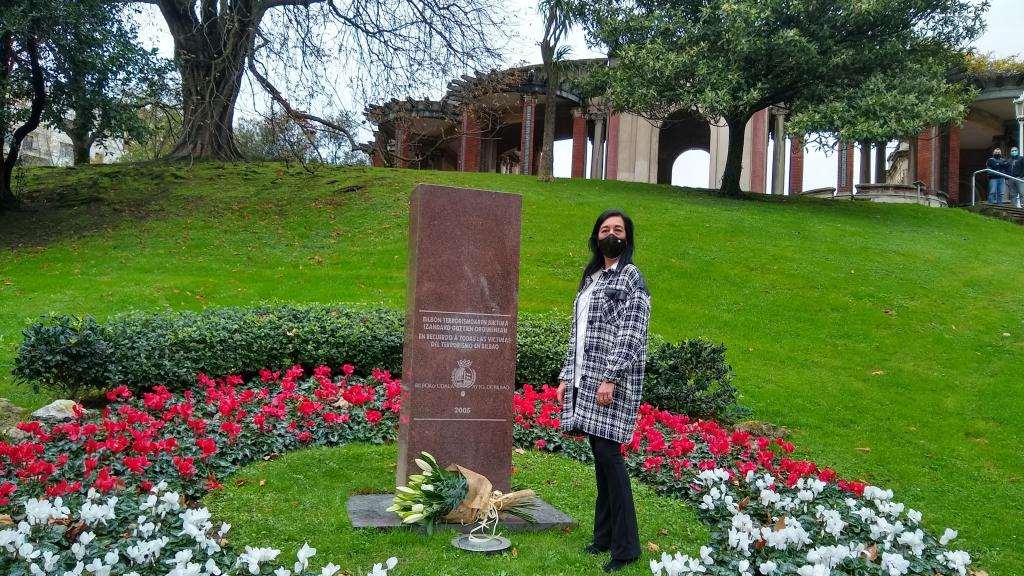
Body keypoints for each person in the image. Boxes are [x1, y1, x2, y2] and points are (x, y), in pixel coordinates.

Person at [556, 209, 650, 573]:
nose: (612, 234)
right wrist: (567, 377)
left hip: (612, 382)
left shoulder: (631, 278)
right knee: (601, 458)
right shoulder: (592, 279)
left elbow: (631, 333)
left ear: (627, 238)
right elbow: (576, 334)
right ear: (596, 237)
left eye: (619, 229)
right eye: (605, 229)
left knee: (610, 459)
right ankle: (604, 537)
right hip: (586, 380)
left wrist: (610, 376)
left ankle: (626, 549)